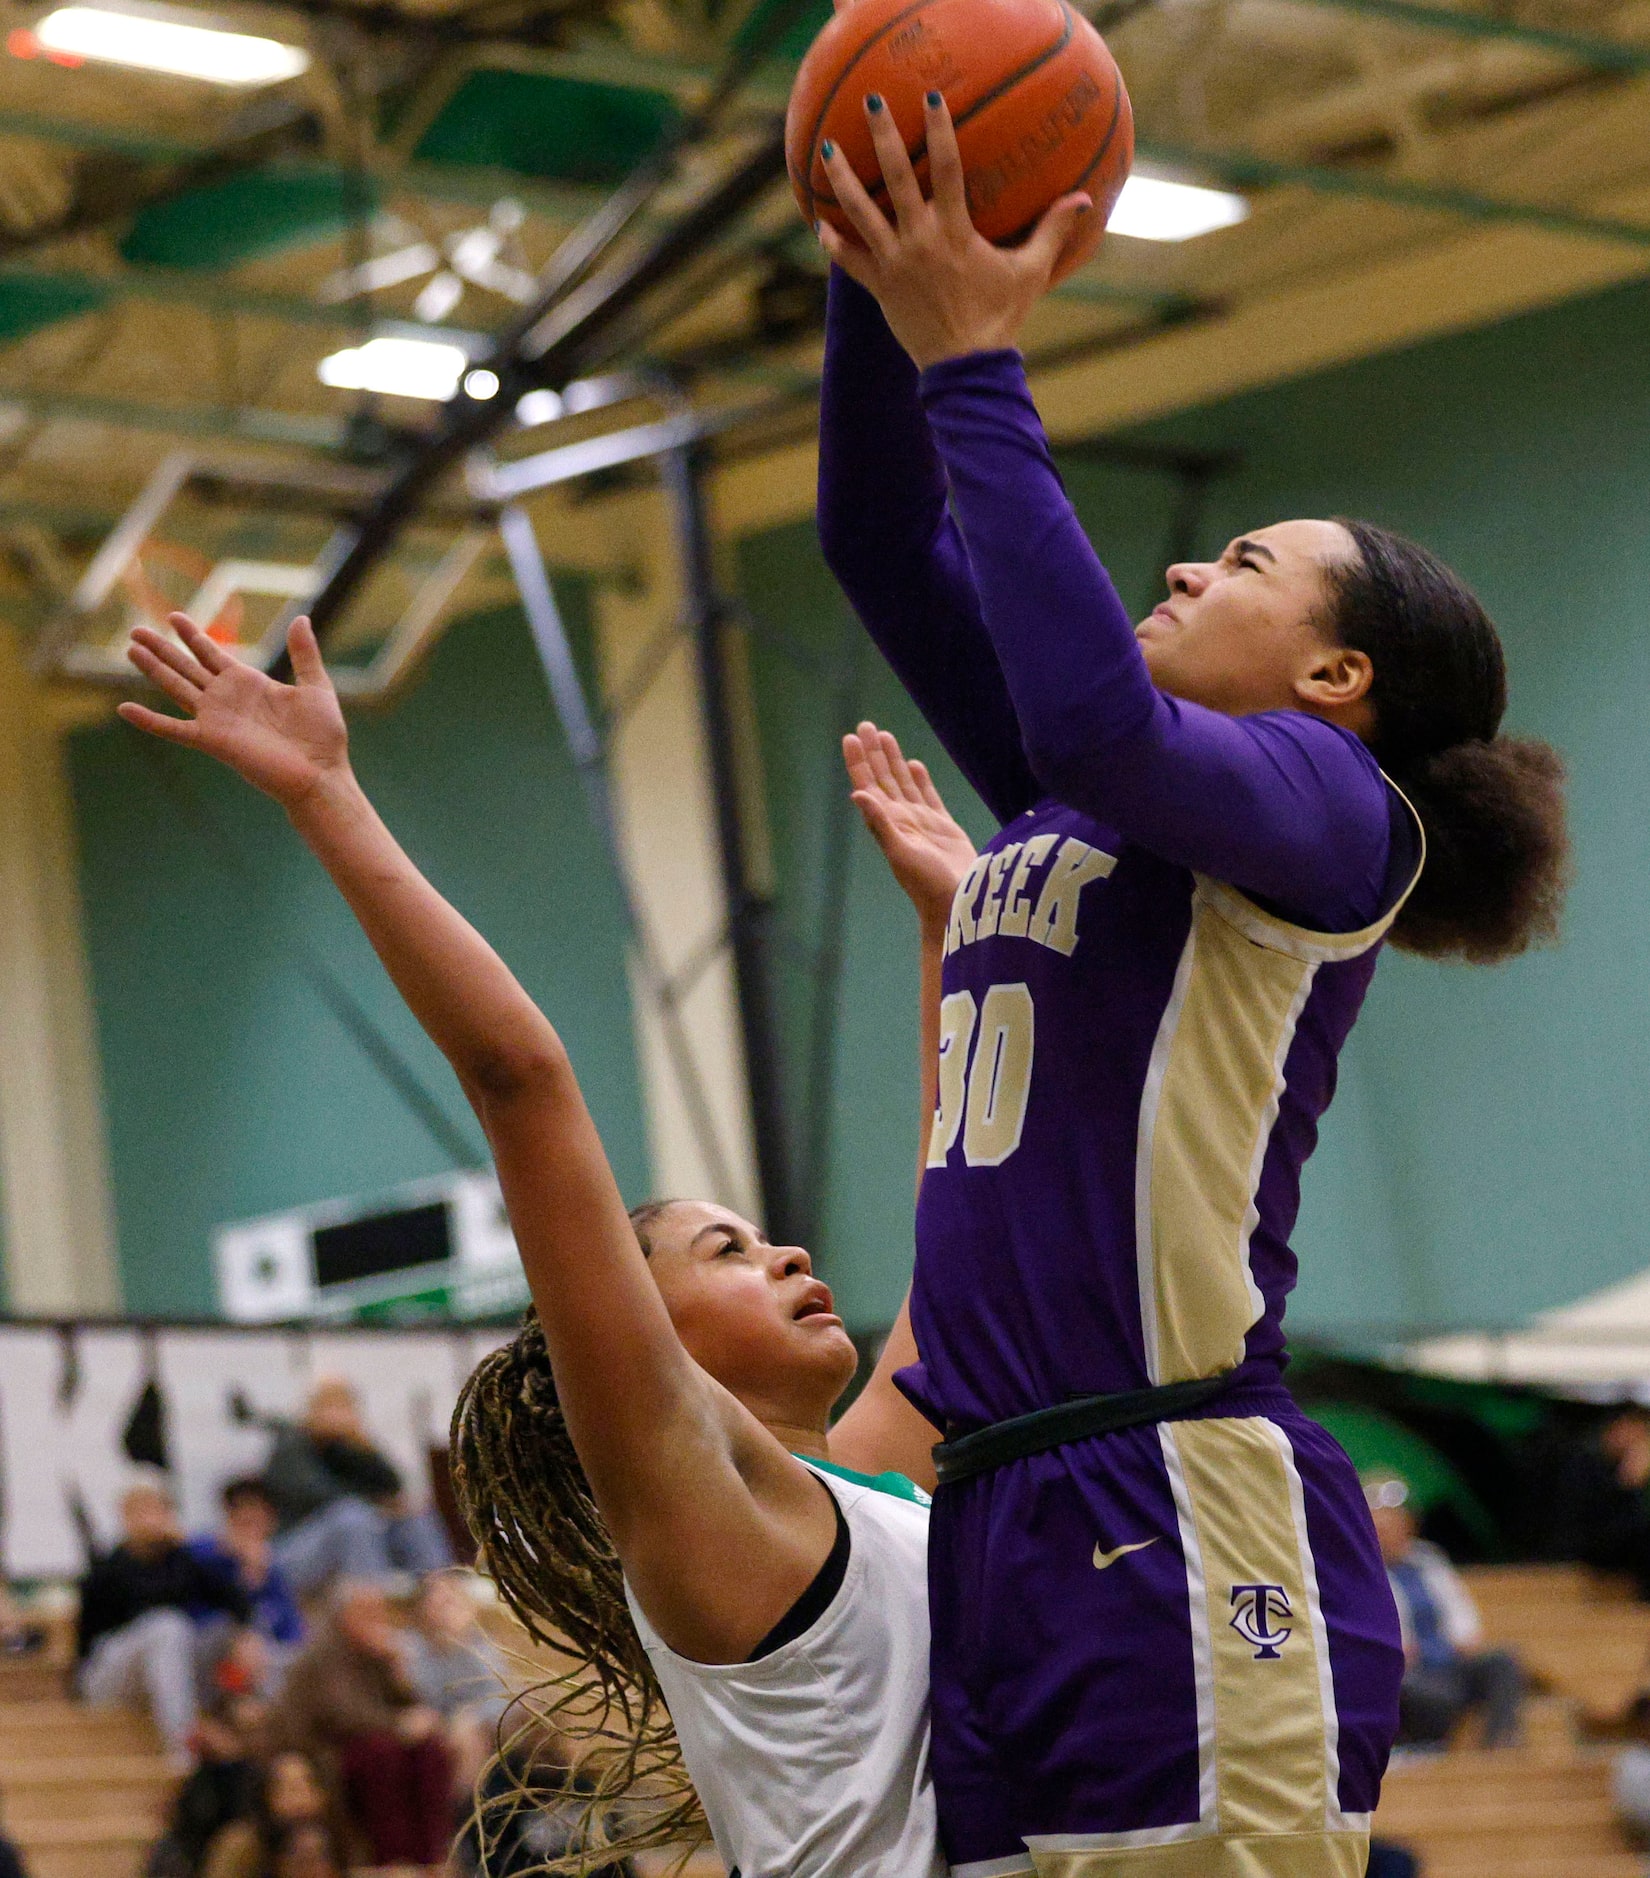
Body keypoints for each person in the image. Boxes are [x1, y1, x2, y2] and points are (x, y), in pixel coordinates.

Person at [812, 87, 1569, 1878]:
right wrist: (869, 240)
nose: (1183, 561)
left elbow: (1084, 705)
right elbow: (872, 536)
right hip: (1002, 1495)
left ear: (1338, 674)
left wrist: (980, 358)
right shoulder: (1117, 806)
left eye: (1241, 563)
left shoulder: (1331, 810)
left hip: (1174, 1492)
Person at [118, 612, 952, 1876]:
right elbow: (520, 1078)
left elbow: (963, 1232)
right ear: (635, 1329)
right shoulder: (694, 1500)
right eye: (725, 1249)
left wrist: (954, 931)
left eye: (767, 1239)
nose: (785, 1256)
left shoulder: (863, 1487)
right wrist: (329, 795)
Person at [265, 1579, 452, 1868]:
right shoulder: (325, 1654)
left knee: (430, 1750)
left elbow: (407, 1705)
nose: (379, 1621)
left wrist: (399, 1674)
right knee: (383, 1754)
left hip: (372, 1741)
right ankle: (391, 1862)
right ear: (344, 1616)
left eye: (380, 1612)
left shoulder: (378, 1654)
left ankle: (430, 1859)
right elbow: (343, 1716)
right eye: (367, 1613)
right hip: (323, 1752)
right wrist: (398, 1724)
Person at [77, 1473, 253, 1771]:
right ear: (124, 1517)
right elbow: (127, 1611)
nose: (149, 1519)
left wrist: (186, 1548)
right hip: (106, 1679)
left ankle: (247, 1721)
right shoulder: (108, 1566)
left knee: (227, 1630)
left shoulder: (182, 1559)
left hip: (167, 1675)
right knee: (167, 1625)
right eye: (140, 1511)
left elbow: (236, 1599)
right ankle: (183, 1753)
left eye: (156, 1510)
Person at [1368, 1476, 1524, 1748]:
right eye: (1379, 1526)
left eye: (1394, 1523)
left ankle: (1498, 1746)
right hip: (1409, 1672)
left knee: (1503, 1662)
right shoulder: (1361, 1570)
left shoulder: (1429, 1559)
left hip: (1450, 1662)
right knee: (1409, 1689)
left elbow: (1461, 1609)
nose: (1387, 1533)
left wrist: (1465, 1639)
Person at [260, 1380, 451, 1597]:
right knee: (352, 1517)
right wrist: (377, 1505)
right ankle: (371, 1600)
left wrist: (352, 1447)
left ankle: (441, 1591)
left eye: (343, 1407)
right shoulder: (292, 1444)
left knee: (413, 1518)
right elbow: (317, 1495)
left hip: (364, 1530)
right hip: (295, 1548)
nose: (336, 1415)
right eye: (329, 1407)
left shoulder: (353, 1448)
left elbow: (392, 1486)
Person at [404, 1571, 510, 1804]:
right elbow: (423, 1697)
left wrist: (461, 1644)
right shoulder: (413, 1650)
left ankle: (466, 1814)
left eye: (452, 1600)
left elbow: (502, 1698)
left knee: (468, 1733)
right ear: (423, 1609)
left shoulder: (481, 1644)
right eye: (439, 1602)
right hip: (439, 1726)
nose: (447, 1610)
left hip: (485, 1727)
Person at [190, 1478, 304, 1661]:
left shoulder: (274, 1570)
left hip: (265, 1659)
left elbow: (292, 1631)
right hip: (210, 1651)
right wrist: (229, 1556)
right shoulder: (204, 1549)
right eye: (242, 1510)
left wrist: (257, 1575)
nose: (250, 1518)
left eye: (259, 1514)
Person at [198, 1753, 347, 1878]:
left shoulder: (337, 1837)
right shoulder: (241, 1845)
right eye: (287, 1789)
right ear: (265, 1797)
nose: (299, 1799)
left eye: (306, 1786)